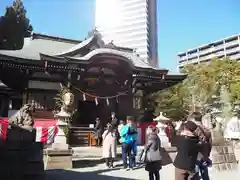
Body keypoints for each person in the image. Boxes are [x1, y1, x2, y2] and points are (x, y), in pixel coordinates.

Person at [189, 112, 212, 180]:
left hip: (195, 156)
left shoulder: (193, 130)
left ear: (193, 119)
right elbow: (210, 144)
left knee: (195, 175)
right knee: (205, 174)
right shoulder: (207, 129)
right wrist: (207, 155)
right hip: (204, 155)